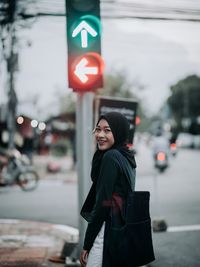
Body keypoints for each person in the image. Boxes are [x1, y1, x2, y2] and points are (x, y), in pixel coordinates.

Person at [79, 112, 137, 267]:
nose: (100, 135)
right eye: (98, 129)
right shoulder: (126, 156)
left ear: (118, 132)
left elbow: (101, 205)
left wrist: (87, 243)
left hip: (106, 230)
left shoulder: (110, 157)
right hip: (120, 228)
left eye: (107, 130)